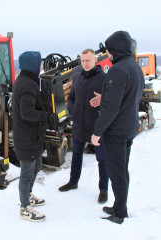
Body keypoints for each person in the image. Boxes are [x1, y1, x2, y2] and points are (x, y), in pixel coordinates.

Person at [90, 31, 144, 224]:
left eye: (110, 51)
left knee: (117, 172)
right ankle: (119, 205)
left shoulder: (118, 70)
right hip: (129, 127)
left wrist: (97, 132)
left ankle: (120, 213)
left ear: (116, 50)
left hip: (117, 131)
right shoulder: (134, 67)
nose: (108, 55)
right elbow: (128, 97)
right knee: (122, 170)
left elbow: (111, 108)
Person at [58, 49, 109, 204]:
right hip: (79, 124)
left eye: (88, 60)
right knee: (76, 154)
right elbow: (71, 97)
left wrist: (103, 101)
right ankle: (73, 182)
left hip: (97, 126)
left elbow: (112, 102)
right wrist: (72, 109)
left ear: (95, 60)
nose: (85, 63)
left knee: (102, 159)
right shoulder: (77, 77)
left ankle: (103, 189)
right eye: (83, 60)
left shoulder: (104, 79)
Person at [12, 51, 47, 222]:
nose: (41, 66)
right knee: (27, 172)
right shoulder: (27, 84)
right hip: (27, 136)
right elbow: (27, 113)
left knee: (37, 164)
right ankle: (25, 207)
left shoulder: (27, 80)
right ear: (33, 64)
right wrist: (45, 115)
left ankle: (29, 194)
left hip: (31, 136)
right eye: (39, 63)